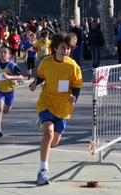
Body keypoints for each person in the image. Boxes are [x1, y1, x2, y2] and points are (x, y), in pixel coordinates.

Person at [29, 32, 83, 185]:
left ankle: (42, 124)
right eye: (63, 48)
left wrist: (75, 97)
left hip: (63, 106)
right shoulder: (46, 63)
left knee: (54, 141)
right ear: (55, 48)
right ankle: (43, 170)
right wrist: (34, 83)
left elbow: (77, 86)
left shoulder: (73, 66)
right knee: (48, 134)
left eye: (68, 49)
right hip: (46, 101)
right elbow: (41, 76)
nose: (66, 51)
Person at [0, 46, 24, 137]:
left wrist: (10, 77)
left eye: (5, 52)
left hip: (10, 92)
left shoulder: (12, 66)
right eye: (1, 52)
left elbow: (21, 77)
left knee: (6, 111)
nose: (2, 54)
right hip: (0, 91)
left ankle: (5, 109)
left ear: (9, 55)